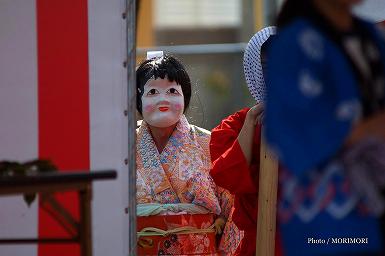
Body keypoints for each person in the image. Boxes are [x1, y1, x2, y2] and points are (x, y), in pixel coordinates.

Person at [265, 0, 385, 255]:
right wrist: (369, 129)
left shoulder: (370, 35)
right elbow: (290, 134)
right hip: (327, 221)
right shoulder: (293, 43)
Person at [135, 52, 241, 255]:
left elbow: (233, 207)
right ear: (138, 98)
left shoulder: (209, 143)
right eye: (153, 92)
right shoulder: (124, 149)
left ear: (185, 96)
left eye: (172, 91)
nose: (162, 99)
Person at [210, 27, 283, 256]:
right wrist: (252, 121)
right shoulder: (237, 124)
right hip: (259, 240)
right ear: (255, 70)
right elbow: (227, 175)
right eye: (269, 67)